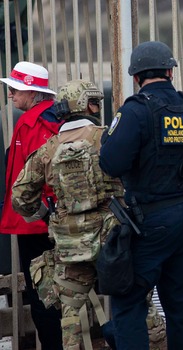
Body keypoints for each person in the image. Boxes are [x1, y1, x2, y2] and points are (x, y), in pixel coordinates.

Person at [99, 40, 183, 350]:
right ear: (171, 71)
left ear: (136, 77)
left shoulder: (135, 110)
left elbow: (111, 163)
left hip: (150, 221)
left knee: (129, 304)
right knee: (179, 307)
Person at [11, 79, 124, 349]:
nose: (98, 107)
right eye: (95, 102)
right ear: (85, 105)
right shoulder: (108, 137)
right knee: (134, 302)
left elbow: (20, 197)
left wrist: (46, 214)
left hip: (71, 243)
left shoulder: (49, 148)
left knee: (71, 314)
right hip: (113, 238)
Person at [0, 61, 63, 349]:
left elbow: (36, 178)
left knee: (42, 296)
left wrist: (37, 213)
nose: (11, 94)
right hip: (55, 221)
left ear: (33, 92)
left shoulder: (32, 124)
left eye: (15, 89)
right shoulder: (54, 119)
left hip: (35, 225)